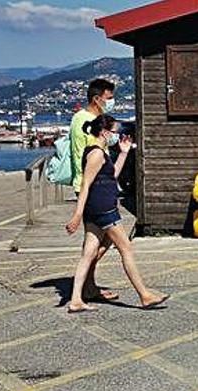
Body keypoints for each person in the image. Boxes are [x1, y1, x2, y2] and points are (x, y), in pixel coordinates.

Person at [65, 115, 169, 312]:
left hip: (98, 208)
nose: (117, 135)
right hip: (104, 209)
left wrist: (123, 153)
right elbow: (85, 184)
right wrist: (77, 215)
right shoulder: (95, 154)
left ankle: (76, 299)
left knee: (88, 254)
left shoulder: (100, 152)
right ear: (104, 132)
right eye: (114, 132)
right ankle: (145, 295)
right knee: (126, 249)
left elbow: (111, 176)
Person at [69, 79, 136, 303]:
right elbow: (92, 161)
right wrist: (78, 212)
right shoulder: (89, 124)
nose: (111, 102)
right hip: (93, 190)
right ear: (97, 99)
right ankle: (88, 286)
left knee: (96, 243)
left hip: (94, 188)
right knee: (110, 242)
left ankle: (86, 288)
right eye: (108, 98)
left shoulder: (81, 119)